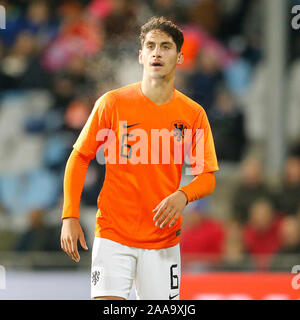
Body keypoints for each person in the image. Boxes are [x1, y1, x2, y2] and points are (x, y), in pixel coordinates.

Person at [60, 16, 219, 300]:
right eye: (151, 46)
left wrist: (183, 195)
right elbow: (80, 156)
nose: (157, 52)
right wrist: (70, 214)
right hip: (113, 235)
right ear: (141, 55)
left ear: (180, 57)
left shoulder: (193, 114)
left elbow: (206, 177)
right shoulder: (112, 103)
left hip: (163, 240)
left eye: (166, 46)